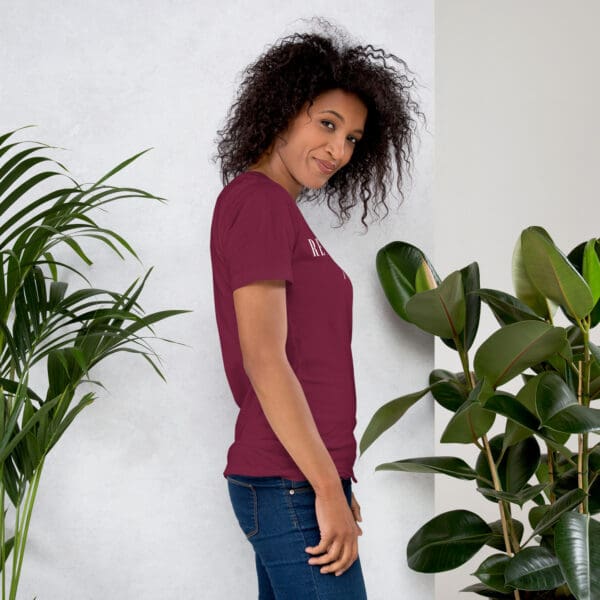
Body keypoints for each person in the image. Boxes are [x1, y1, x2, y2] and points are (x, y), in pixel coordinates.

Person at [210, 21, 425, 599]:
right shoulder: (257, 203)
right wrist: (325, 490)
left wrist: (332, 479)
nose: (338, 149)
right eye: (326, 124)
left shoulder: (280, 211)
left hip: (299, 476)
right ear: (282, 110)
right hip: (286, 480)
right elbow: (264, 359)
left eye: (353, 138)